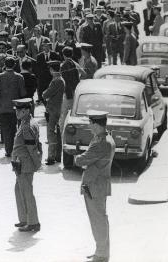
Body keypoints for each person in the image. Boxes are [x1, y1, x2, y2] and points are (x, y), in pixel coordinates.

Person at [75, 111, 116, 262]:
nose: (89, 126)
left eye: (90, 123)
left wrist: (77, 157)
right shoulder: (102, 138)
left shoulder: (102, 143)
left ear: (96, 124)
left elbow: (82, 160)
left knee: (98, 220)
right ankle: (101, 251)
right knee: (99, 219)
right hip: (94, 184)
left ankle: (102, 254)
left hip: (95, 186)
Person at [11, 98, 42, 233]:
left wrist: (36, 164)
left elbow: (32, 148)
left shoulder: (26, 126)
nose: (17, 112)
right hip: (21, 164)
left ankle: (33, 222)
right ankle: (24, 219)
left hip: (25, 165)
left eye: (19, 110)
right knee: (19, 190)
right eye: (17, 110)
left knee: (26, 193)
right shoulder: (25, 122)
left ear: (26, 111)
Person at [0, 57, 26, 157]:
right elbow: (23, 93)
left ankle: (8, 150)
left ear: (5, 65)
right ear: (14, 65)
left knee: (6, 129)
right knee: (14, 128)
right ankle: (14, 148)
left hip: (2, 108)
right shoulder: (19, 77)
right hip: (15, 107)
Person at [42, 61, 65, 165]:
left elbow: (46, 94)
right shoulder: (59, 79)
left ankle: (51, 156)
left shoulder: (56, 81)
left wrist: (43, 93)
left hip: (53, 110)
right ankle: (57, 156)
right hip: (57, 109)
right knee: (56, 134)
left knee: (51, 133)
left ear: (51, 69)